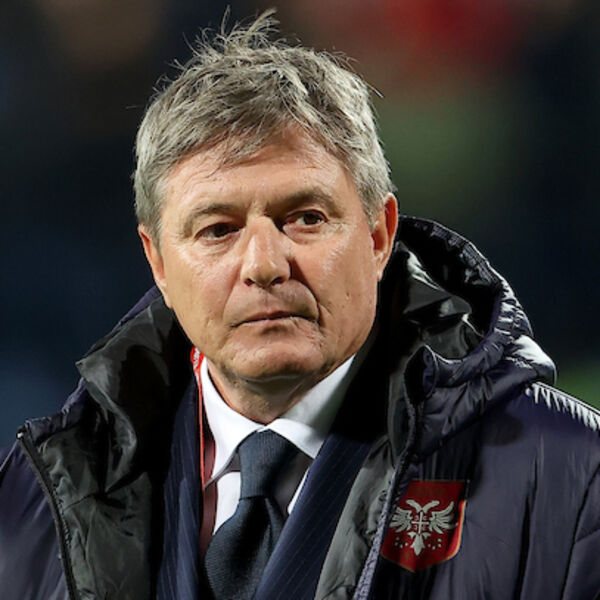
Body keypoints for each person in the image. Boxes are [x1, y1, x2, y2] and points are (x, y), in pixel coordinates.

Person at [1, 10, 599, 600]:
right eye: (218, 230)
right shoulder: (37, 504)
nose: (264, 264)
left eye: (305, 218)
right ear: (157, 261)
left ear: (379, 235)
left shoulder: (568, 477)